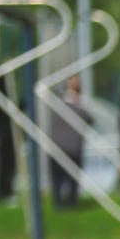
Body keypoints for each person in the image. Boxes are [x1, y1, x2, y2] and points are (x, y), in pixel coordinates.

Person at [47, 75, 92, 208]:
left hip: (74, 146)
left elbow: (89, 119)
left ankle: (71, 203)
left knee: (73, 179)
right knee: (58, 178)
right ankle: (58, 203)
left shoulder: (80, 103)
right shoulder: (61, 103)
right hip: (60, 146)